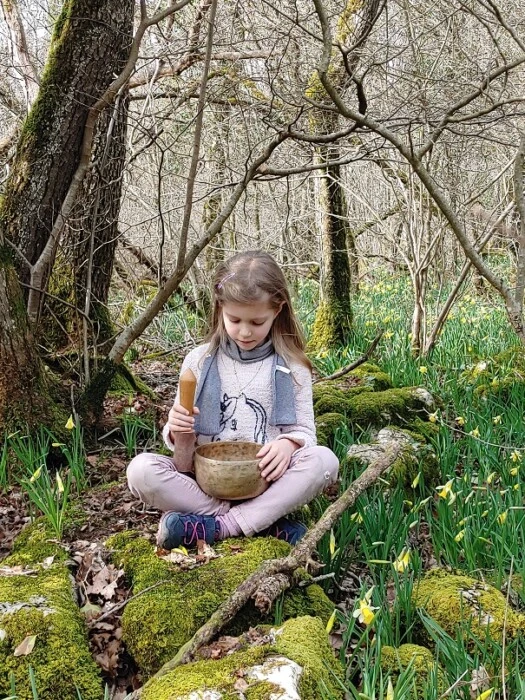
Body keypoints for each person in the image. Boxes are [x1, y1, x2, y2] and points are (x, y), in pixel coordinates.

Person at [127, 250, 339, 549]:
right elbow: (182, 461)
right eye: (235, 319)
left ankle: (221, 526)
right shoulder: (198, 362)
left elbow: (306, 433)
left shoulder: (293, 368)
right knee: (141, 471)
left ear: (277, 311)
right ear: (220, 308)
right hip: (206, 484)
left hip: (266, 482)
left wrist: (288, 443)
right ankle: (260, 522)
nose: (244, 331)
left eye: (256, 322)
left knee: (324, 460)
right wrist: (178, 430)